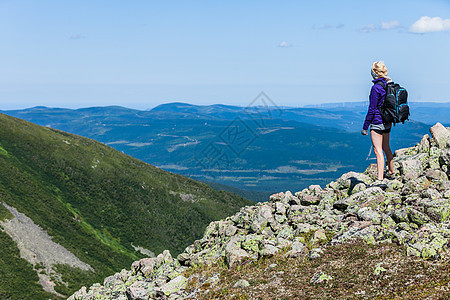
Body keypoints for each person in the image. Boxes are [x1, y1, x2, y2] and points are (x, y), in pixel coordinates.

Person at [361, 61, 394, 183]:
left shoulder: (376, 88)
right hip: (388, 121)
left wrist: (365, 126)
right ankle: (391, 171)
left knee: (378, 150)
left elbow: (372, 108)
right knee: (386, 147)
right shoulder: (389, 85)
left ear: (375, 73)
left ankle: (380, 179)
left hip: (377, 121)